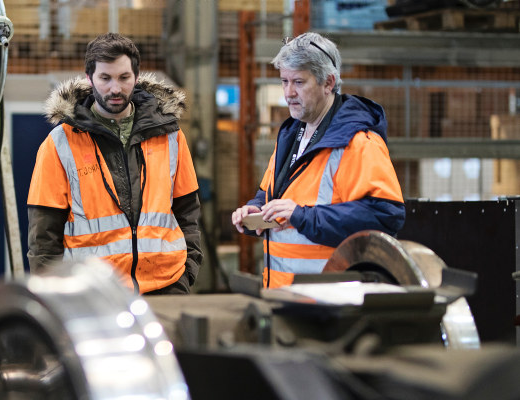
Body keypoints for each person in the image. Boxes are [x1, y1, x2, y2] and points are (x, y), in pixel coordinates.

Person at [26, 33, 203, 295]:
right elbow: (44, 235)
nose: (115, 89)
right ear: (90, 79)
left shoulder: (170, 136)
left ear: (136, 76)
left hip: (166, 286)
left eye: (124, 77)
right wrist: (55, 294)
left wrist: (187, 272)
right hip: (92, 293)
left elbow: (187, 211)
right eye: (105, 78)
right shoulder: (60, 143)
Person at [231, 32, 405, 289]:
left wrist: (302, 216)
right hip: (282, 293)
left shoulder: (358, 142)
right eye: (284, 81)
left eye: (299, 82)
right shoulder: (291, 135)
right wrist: (256, 210)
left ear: (328, 82)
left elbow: (385, 215)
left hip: (331, 297)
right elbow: (270, 195)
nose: (288, 93)